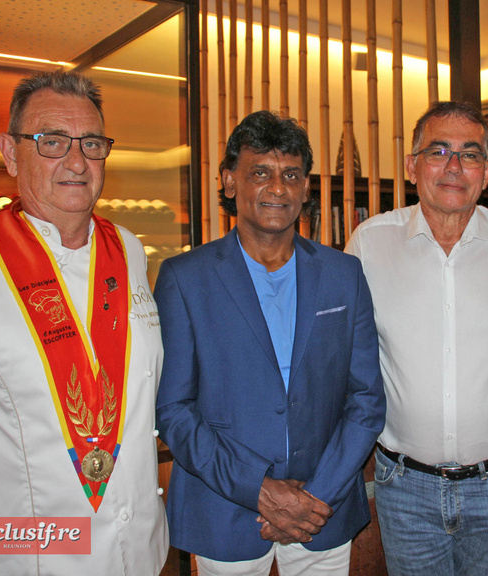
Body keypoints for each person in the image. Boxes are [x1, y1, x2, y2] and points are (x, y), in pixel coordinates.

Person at [0, 71, 168, 575]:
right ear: (10, 153)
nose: (76, 161)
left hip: (140, 551)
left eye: (91, 143)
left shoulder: (129, 250)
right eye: (51, 141)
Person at [154, 110, 385, 575]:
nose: (277, 188)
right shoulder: (184, 279)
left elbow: (366, 400)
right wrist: (261, 490)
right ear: (229, 182)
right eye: (260, 172)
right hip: (224, 508)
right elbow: (175, 410)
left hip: (324, 509)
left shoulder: (344, 275)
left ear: (304, 188)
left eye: (291, 175)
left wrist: (315, 497)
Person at [345, 101, 488, 575]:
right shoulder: (369, 245)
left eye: (469, 154)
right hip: (403, 485)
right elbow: (347, 362)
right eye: (438, 151)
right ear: (412, 165)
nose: (454, 167)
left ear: (487, 171)